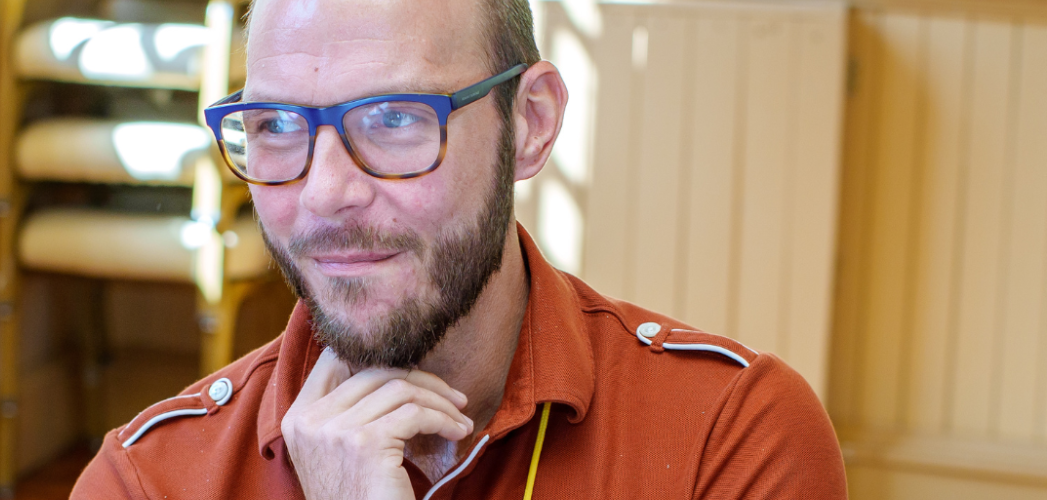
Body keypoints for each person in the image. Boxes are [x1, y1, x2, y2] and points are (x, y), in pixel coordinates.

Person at [70, 0, 848, 497]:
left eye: (394, 118)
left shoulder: (731, 439)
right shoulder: (150, 481)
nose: (326, 193)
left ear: (531, 124)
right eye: (276, 126)